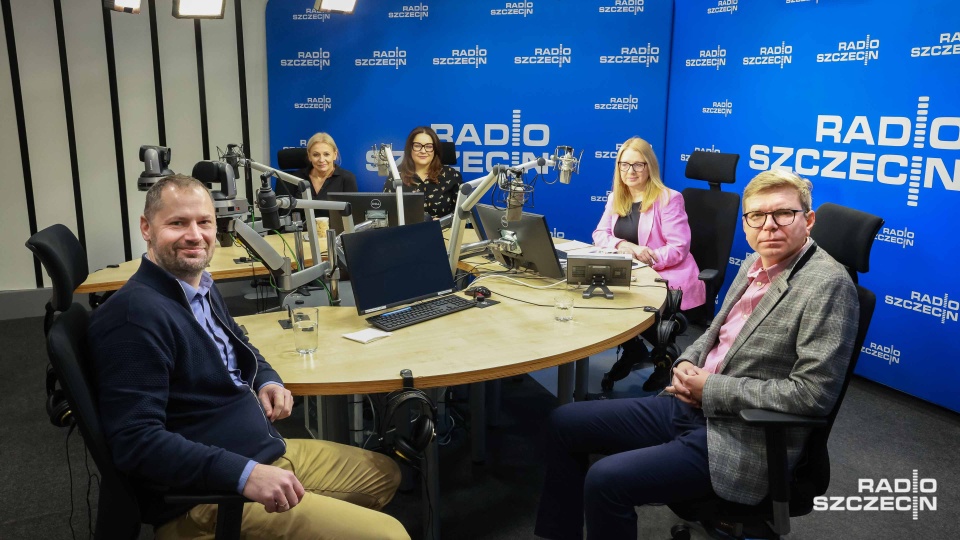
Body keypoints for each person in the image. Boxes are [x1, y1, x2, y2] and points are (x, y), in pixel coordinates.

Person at [534, 169, 859, 540]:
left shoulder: (829, 285)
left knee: (606, 481)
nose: (769, 226)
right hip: (691, 404)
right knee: (565, 422)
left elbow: (812, 395)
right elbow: (715, 332)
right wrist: (686, 362)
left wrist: (712, 389)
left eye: (783, 213)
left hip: (740, 435)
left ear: (809, 220)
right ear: (747, 223)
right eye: (757, 216)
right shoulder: (757, 263)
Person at [88, 175, 409, 540]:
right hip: (206, 497)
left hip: (259, 447)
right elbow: (136, 442)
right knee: (390, 535)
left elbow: (239, 343)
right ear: (146, 228)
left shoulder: (197, 286)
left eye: (204, 222)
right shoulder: (134, 318)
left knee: (384, 475)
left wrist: (266, 379)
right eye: (177, 223)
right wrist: (244, 474)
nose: (195, 235)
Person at [592, 137, 705, 389]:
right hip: (629, 273)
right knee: (595, 297)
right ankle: (635, 350)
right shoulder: (616, 198)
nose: (630, 171)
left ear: (649, 166)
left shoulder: (668, 198)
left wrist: (646, 259)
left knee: (621, 302)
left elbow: (679, 248)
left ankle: (666, 360)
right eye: (624, 165)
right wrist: (625, 246)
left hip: (665, 276)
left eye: (637, 165)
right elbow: (600, 234)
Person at [384, 126, 463, 219]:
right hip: (407, 232)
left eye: (429, 146)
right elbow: (387, 214)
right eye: (417, 146)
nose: (423, 151)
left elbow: (462, 213)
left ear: (435, 150)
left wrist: (446, 222)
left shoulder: (451, 175)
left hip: (443, 231)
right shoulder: (396, 176)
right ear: (410, 149)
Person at [276, 132, 357, 219]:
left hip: (335, 232)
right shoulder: (294, 178)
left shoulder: (347, 178)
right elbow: (281, 215)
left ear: (335, 155)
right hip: (298, 231)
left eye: (326, 154)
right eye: (316, 155)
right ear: (309, 156)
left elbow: (353, 217)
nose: (321, 160)